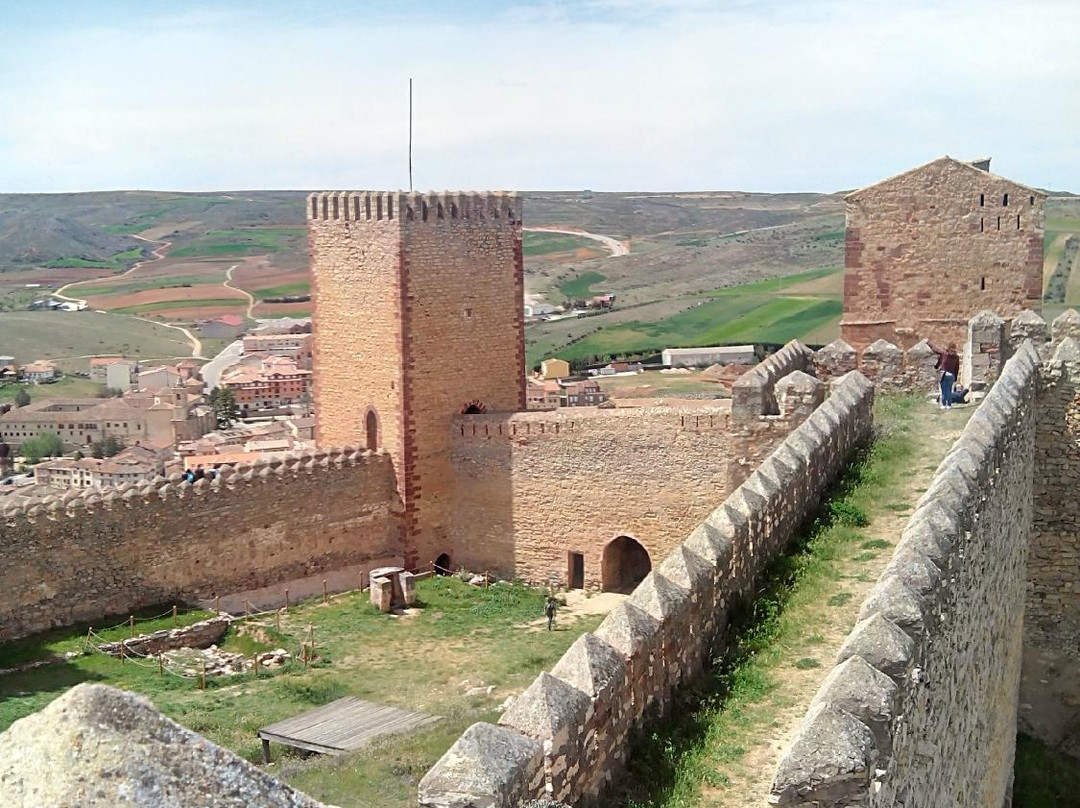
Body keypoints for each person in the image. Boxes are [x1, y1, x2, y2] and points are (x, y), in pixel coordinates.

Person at [928, 341, 961, 409]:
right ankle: (949, 405)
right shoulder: (956, 357)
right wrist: (955, 377)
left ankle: (943, 404)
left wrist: (929, 343)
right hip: (951, 375)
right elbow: (957, 368)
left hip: (943, 374)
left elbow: (935, 350)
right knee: (949, 390)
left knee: (943, 390)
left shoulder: (944, 354)